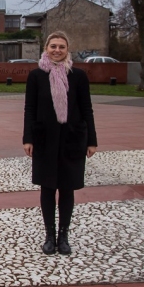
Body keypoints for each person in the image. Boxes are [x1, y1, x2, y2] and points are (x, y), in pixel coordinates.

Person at [22, 31, 98, 256]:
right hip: (44, 138)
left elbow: (87, 109)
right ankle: (49, 236)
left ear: (67, 50)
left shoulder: (78, 76)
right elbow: (29, 109)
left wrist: (92, 140)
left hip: (72, 138)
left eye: (61, 47)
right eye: (53, 46)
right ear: (46, 48)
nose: (57, 50)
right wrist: (28, 138)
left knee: (67, 188)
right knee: (47, 188)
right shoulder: (36, 76)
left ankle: (63, 236)